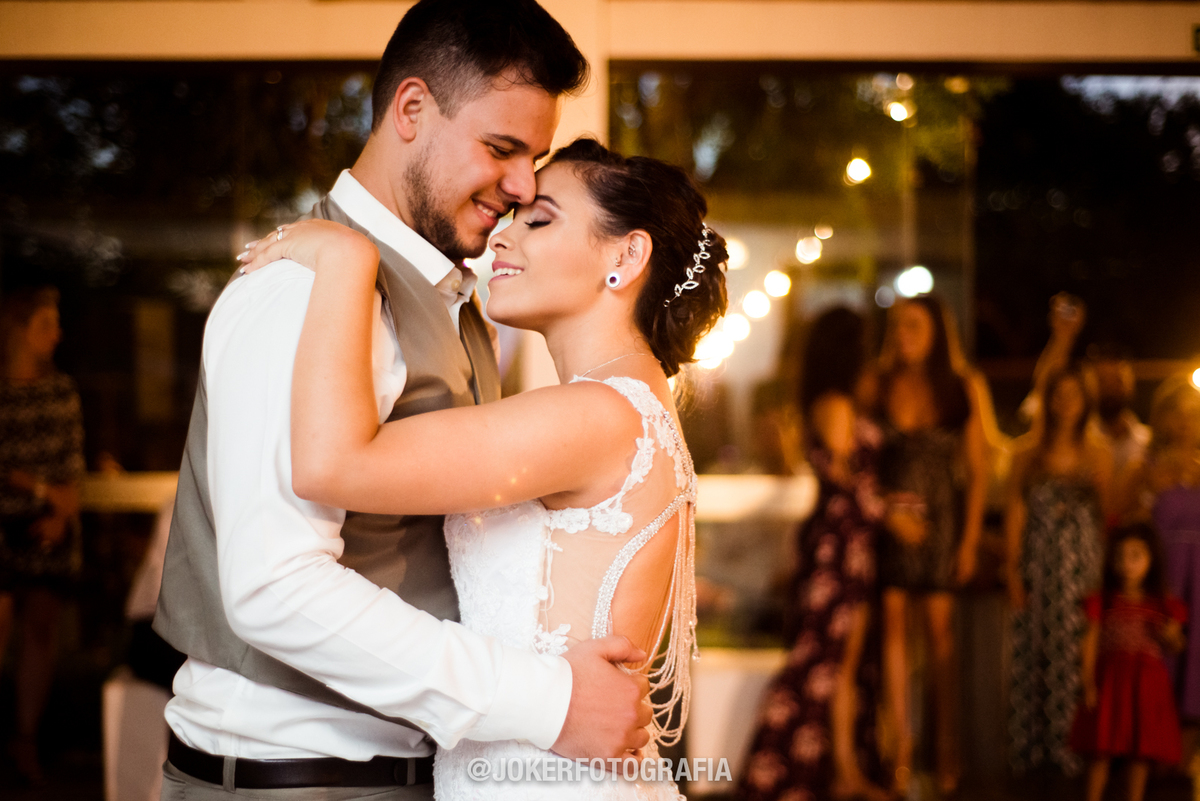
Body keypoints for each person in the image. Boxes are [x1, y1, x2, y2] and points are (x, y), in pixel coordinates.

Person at [153, 4, 654, 799]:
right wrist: (544, 697)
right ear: (412, 109)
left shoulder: (454, 301)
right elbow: (273, 586)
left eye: (537, 157)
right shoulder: (301, 291)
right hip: (295, 778)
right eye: (502, 148)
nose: (523, 186)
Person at [239, 136, 727, 798]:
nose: (503, 235)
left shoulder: (594, 415)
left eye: (540, 219)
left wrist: (345, 255)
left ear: (625, 254)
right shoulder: (626, 408)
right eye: (513, 215)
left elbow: (334, 462)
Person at [737, 307, 889, 801]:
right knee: (823, 660)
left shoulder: (829, 402)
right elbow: (850, 485)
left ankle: (843, 768)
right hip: (839, 550)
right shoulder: (835, 405)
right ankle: (819, 768)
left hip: (844, 548)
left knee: (838, 663)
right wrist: (894, 513)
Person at [872, 294, 988, 796]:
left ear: (938, 330)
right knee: (893, 626)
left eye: (915, 325)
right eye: (899, 325)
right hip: (891, 522)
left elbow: (980, 472)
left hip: (942, 523)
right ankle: (901, 749)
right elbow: (857, 456)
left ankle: (946, 749)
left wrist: (969, 541)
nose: (905, 334)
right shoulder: (877, 384)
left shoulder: (962, 387)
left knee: (940, 636)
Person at [1005, 365, 1110, 777]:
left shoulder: (1097, 453)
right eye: (1058, 395)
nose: (1066, 404)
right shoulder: (1027, 454)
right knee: (1032, 655)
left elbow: (1104, 517)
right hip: (1039, 565)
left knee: (1075, 656)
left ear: (1086, 402)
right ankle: (1032, 751)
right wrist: (1013, 572)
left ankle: (1072, 750)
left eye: (1074, 395)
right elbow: (1015, 513)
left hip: (1079, 567)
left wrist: (1101, 576)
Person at [0, 285, 85, 785]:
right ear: (16, 330)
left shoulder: (61, 393)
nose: (57, 335)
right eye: (45, 325)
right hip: (6, 530)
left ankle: (25, 740)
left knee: (40, 627)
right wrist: (42, 490)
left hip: (47, 530)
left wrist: (34, 489)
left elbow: (69, 490)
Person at [1117, 376, 1200, 781]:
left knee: (1194, 669)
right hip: (1163, 578)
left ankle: (1183, 766)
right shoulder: (1145, 469)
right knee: (1156, 668)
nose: (1185, 422)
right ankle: (1147, 762)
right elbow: (1119, 519)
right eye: (1177, 413)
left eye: (1193, 413)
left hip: (1199, 584)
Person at [1070, 523, 1187, 801]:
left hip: (1146, 686)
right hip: (1111, 682)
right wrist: (1087, 681)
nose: (1126, 564)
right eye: (1120, 556)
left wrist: (1171, 635)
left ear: (1152, 560)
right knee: (1101, 751)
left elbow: (1176, 646)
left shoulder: (1162, 602)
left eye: (1136, 556)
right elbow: (1089, 641)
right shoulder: (1104, 600)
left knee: (1141, 751)